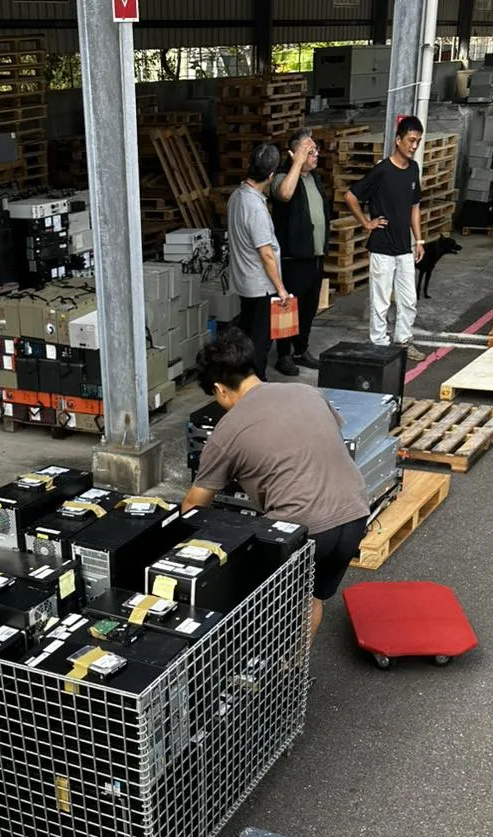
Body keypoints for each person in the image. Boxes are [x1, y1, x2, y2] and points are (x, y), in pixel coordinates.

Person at [182, 328, 368, 647]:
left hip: (300, 529)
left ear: (220, 389)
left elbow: (194, 506)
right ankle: (293, 667)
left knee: (259, 608)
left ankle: (262, 672)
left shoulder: (227, 431)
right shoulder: (307, 392)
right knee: (310, 598)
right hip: (354, 515)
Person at [344, 115, 426, 362]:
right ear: (398, 140)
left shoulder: (413, 169)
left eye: (418, 141)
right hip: (381, 247)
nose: (414, 146)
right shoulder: (382, 170)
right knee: (380, 301)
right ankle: (379, 345)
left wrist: (419, 240)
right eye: (411, 140)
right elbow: (351, 196)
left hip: (404, 247)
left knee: (409, 300)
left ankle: (403, 340)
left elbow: (415, 206)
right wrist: (366, 223)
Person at [227, 142, 293, 380]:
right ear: (271, 175)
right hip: (260, 286)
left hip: (244, 282)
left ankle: (243, 379)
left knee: (247, 335)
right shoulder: (255, 207)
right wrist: (281, 288)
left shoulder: (236, 196)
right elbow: (265, 253)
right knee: (260, 340)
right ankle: (256, 381)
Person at [269, 128, 329, 377]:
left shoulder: (314, 178)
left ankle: (301, 349)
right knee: (288, 307)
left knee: (308, 307)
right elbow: (284, 194)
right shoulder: (282, 177)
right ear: (295, 153)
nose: (315, 155)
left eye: (315, 150)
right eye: (309, 151)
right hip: (293, 257)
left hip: (315, 255)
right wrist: (296, 163)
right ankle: (284, 354)